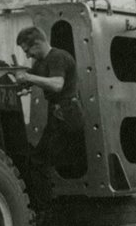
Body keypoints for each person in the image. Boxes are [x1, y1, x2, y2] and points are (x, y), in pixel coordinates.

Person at [14, 27, 85, 206]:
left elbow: (56, 84)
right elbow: (30, 82)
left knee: (40, 160)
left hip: (67, 115)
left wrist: (28, 78)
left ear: (37, 44)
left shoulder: (58, 57)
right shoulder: (40, 64)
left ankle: (45, 207)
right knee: (38, 158)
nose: (28, 55)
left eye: (27, 50)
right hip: (57, 116)